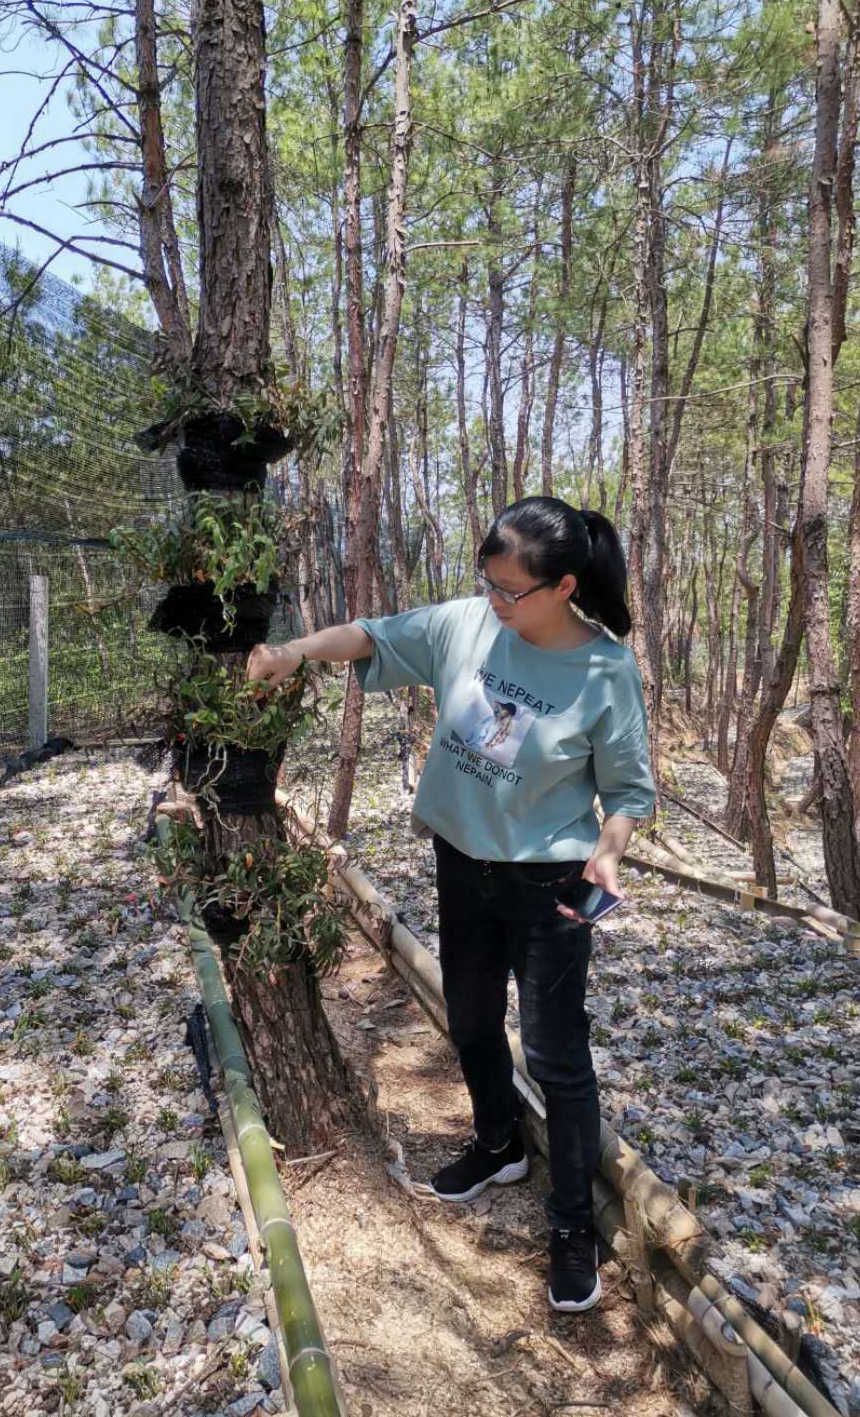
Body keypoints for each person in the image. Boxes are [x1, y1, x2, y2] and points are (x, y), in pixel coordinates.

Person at [246, 496, 655, 1313]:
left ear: (563, 585)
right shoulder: (469, 623)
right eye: (490, 584)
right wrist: (292, 651)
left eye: (513, 590)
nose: (496, 602)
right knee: (470, 1021)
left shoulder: (603, 670)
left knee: (556, 1055)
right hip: (462, 862)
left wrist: (609, 851)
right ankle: (499, 1140)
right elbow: (372, 635)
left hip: (549, 885)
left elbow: (627, 792)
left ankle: (571, 1226)